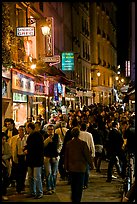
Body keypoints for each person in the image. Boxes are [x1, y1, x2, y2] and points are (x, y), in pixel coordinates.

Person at [64, 127, 94, 202]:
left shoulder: (68, 143)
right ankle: (78, 199)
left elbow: (66, 156)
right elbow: (87, 155)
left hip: (71, 167)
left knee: (73, 185)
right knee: (79, 185)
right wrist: (91, 165)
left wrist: (66, 166)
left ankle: (73, 198)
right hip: (81, 167)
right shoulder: (83, 144)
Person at [24, 122, 44, 199]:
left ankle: (39, 192)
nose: (26, 129)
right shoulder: (31, 136)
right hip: (31, 160)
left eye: (26, 127)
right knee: (30, 177)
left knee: (37, 177)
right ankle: (32, 192)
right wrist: (25, 148)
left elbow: (38, 148)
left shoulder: (37, 135)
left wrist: (28, 150)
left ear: (29, 128)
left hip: (36, 160)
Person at [43, 124, 62, 195]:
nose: (50, 131)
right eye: (49, 129)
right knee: (48, 173)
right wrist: (48, 139)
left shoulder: (57, 136)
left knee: (54, 173)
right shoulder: (45, 136)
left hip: (55, 156)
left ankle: (53, 187)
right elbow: (43, 145)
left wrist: (58, 151)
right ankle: (49, 188)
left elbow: (60, 144)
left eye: (51, 129)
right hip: (47, 157)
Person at [79, 123, 95, 189]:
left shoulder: (78, 134)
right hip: (87, 153)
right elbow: (92, 144)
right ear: (86, 128)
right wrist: (93, 154)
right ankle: (85, 183)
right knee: (87, 169)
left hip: (79, 153)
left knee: (80, 169)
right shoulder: (89, 135)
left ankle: (81, 183)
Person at [15, 125, 28, 194]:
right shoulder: (15, 138)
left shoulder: (27, 138)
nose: (22, 131)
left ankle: (22, 186)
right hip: (18, 156)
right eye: (20, 130)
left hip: (24, 157)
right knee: (18, 173)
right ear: (18, 131)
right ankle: (18, 187)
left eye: (23, 130)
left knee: (23, 173)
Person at [2, 132, 12, 201]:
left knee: (5, 178)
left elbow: (9, 154)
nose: (4, 141)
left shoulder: (7, 145)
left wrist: (4, 157)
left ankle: (3, 193)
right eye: (3, 139)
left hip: (5, 163)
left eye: (5, 139)